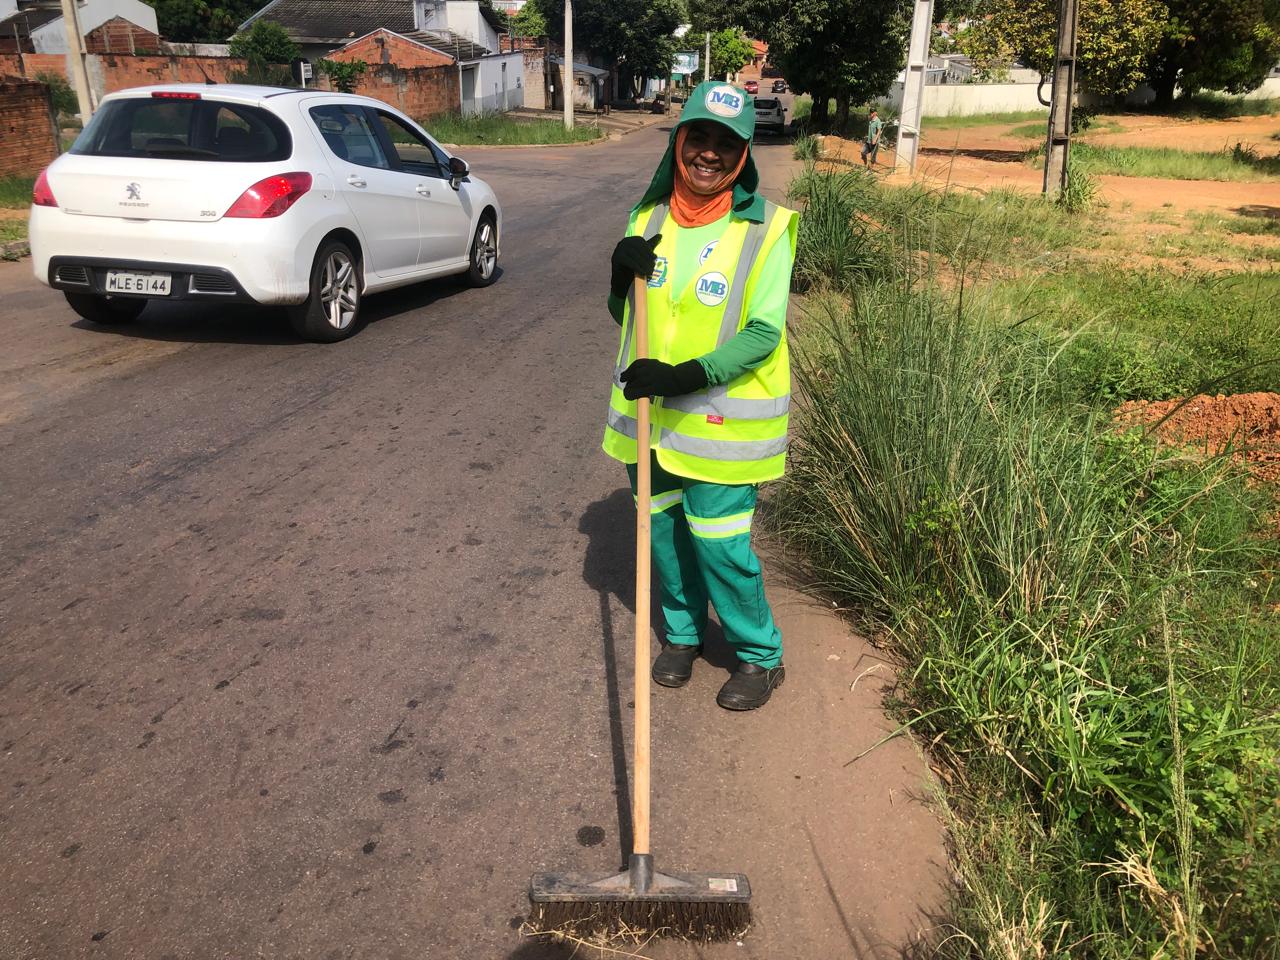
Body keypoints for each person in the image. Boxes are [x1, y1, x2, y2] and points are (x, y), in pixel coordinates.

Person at [602, 81, 798, 711]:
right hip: (649, 420)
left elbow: (764, 333)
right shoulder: (647, 219)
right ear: (679, 141)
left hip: (720, 421)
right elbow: (626, 318)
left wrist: (687, 375)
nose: (709, 153)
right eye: (699, 138)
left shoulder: (767, 228)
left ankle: (760, 655)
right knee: (662, 535)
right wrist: (618, 275)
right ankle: (684, 636)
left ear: (743, 155)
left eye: (726, 143)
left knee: (720, 545)